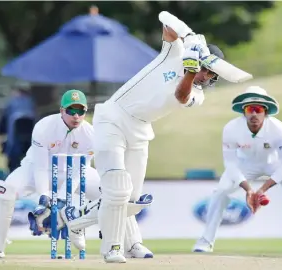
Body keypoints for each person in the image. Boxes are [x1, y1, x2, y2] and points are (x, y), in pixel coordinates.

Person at [41, 11, 252, 264]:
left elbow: (181, 96)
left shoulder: (197, 93)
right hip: (113, 118)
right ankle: (112, 247)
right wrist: (189, 37)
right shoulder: (173, 53)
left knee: (131, 198)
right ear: (204, 63)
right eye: (209, 73)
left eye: (211, 76)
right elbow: (164, 18)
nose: (208, 78)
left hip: (140, 129)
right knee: (117, 188)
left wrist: (190, 69)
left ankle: (83, 225)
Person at [192, 86, 282, 253]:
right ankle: (206, 240)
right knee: (221, 191)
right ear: (244, 112)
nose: (254, 114)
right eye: (249, 109)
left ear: (265, 112)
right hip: (245, 164)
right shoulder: (231, 129)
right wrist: (248, 190)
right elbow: (230, 164)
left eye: (258, 109)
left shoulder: (278, 128)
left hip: (274, 163)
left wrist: (261, 189)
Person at [0, 89, 101, 259]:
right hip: (34, 169)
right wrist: (45, 195)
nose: (76, 116)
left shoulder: (90, 134)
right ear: (61, 111)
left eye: (80, 111)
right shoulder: (44, 127)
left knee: (112, 192)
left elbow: (79, 170)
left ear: (85, 112)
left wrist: (61, 199)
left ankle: (129, 244)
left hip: (73, 172)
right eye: (71, 111)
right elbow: (40, 167)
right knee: (5, 190)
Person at [0, 84, 37, 173]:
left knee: (13, 163)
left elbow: (2, 124)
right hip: (30, 140)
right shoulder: (32, 103)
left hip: (14, 141)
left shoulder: (11, 104)